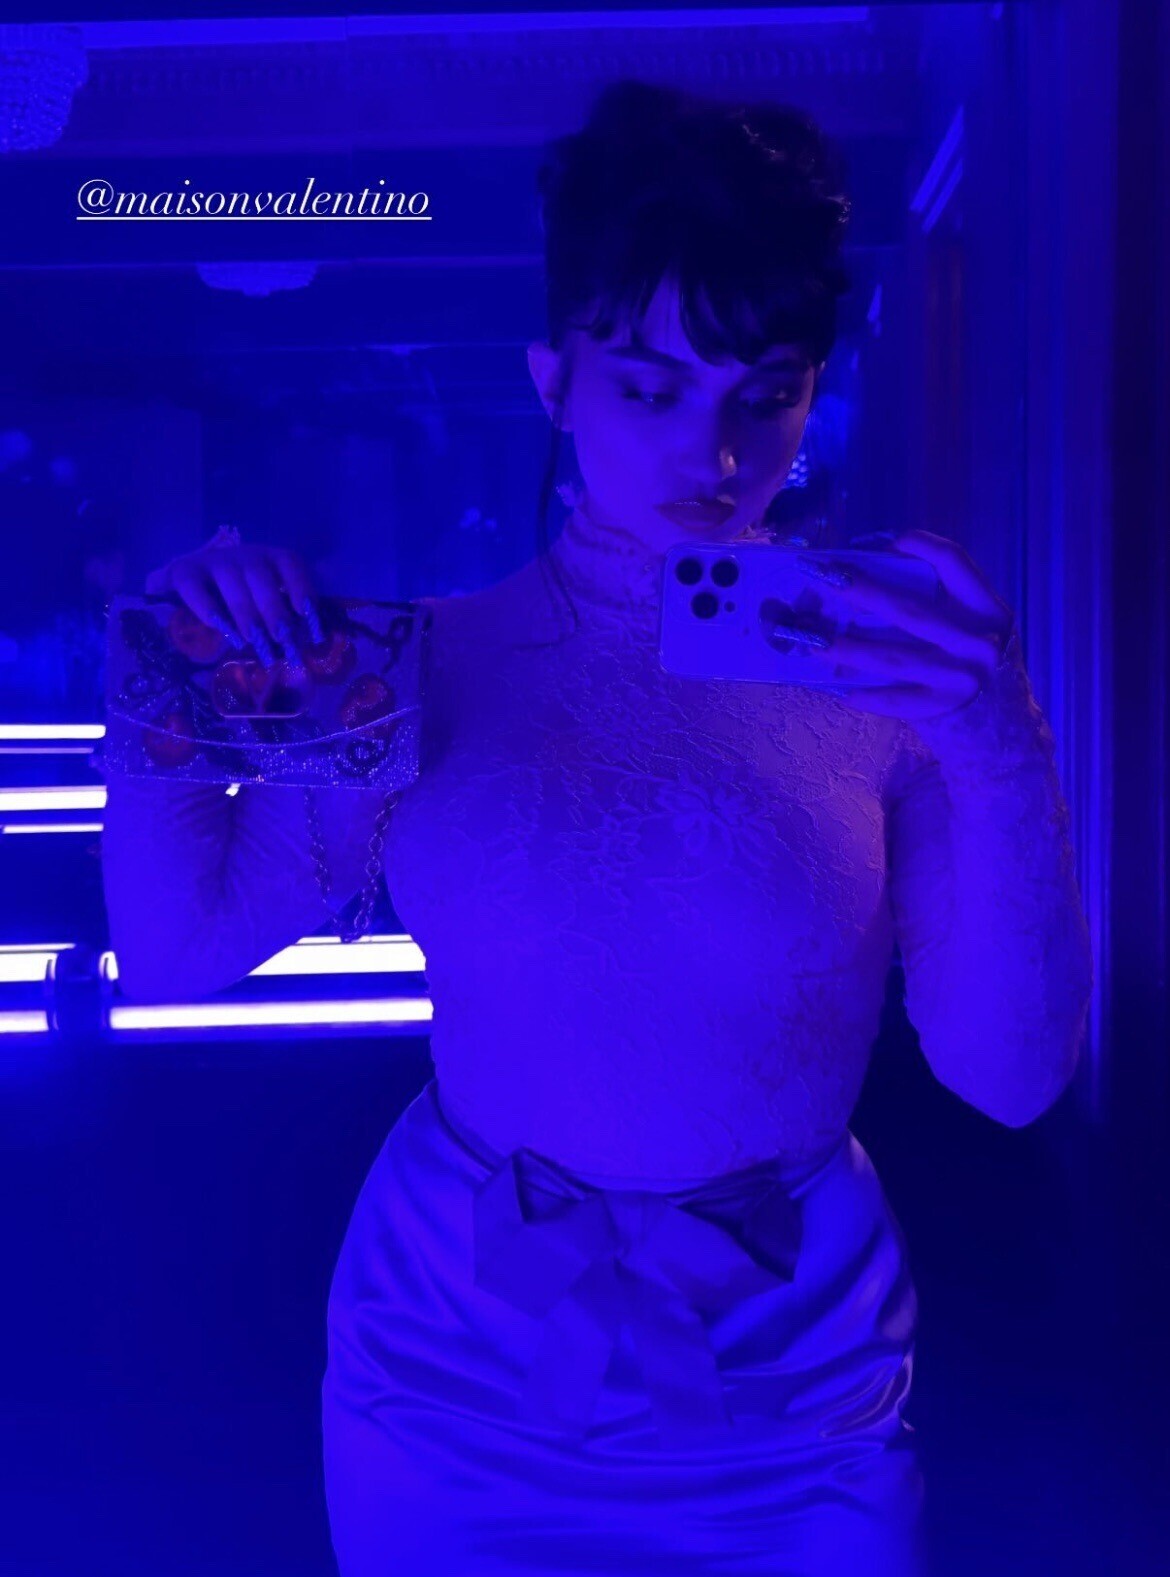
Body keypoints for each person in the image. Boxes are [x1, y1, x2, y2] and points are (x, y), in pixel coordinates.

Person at [100, 81, 1094, 1576]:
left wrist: (994, 730)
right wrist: (169, 675)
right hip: (456, 1360)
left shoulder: (884, 679)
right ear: (554, 382)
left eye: (761, 392)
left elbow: (1009, 1079)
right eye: (649, 386)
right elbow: (178, 954)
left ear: (809, 393)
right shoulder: (422, 665)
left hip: (795, 1372)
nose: (713, 453)